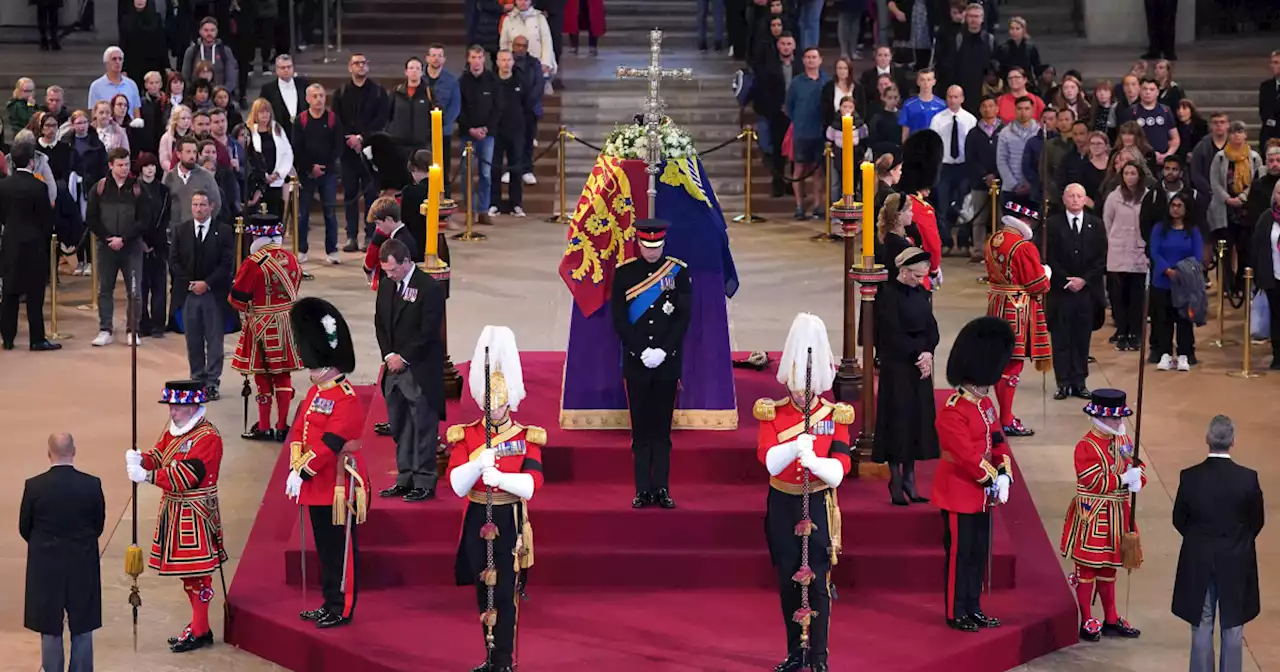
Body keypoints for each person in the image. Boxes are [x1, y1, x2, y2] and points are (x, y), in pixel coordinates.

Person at [754, 312, 852, 672]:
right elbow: (768, 460)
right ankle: (795, 651)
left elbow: (840, 470)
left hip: (820, 503)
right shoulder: (772, 414)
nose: (801, 391)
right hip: (783, 503)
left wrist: (817, 462)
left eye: (806, 384)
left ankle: (819, 656)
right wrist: (796, 448)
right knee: (787, 581)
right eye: (795, 384)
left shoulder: (834, 414)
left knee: (820, 584)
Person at [445, 325, 544, 672]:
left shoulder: (526, 436)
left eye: (500, 404)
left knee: (504, 594)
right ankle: (489, 657)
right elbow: (457, 484)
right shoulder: (468, 434)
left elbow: (532, 484)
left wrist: (502, 478)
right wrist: (476, 464)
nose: (494, 410)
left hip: (507, 517)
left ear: (509, 401)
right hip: (476, 515)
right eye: (490, 403)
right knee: (481, 590)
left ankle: (503, 660)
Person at [284, 297, 371, 629]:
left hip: (336, 484)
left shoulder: (345, 398)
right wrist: (295, 468)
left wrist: (302, 470)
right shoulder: (317, 393)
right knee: (324, 550)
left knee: (340, 552)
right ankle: (328, 602)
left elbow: (330, 444)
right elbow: (300, 430)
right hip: (314, 483)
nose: (310, 369)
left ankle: (342, 606)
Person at [124, 380, 227, 652]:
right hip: (175, 510)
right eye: (171, 406)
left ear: (194, 406)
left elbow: (186, 476)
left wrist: (147, 476)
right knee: (188, 576)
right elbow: (161, 454)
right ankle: (198, 625)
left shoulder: (208, 438)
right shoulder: (176, 431)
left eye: (178, 407)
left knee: (200, 575)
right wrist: (142, 459)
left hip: (195, 512)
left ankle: (201, 629)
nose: (173, 412)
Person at [933, 316, 1015, 633]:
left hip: (982, 494)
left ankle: (973, 606)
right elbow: (967, 457)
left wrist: (1005, 472)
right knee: (959, 555)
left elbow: (996, 441)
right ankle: (956, 611)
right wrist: (994, 478)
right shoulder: (954, 409)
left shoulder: (984, 403)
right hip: (959, 492)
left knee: (978, 553)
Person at [1172, 415, 1264, 672]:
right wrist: (1237, 543)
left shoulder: (1190, 477)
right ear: (1233, 441)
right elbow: (1256, 521)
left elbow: (1179, 519)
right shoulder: (1248, 479)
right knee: (1233, 625)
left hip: (1199, 558)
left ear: (1207, 440)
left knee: (1202, 624)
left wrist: (1199, 541)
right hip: (1236, 560)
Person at [610, 219, 691, 509]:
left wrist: (663, 350)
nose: (652, 251)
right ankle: (642, 489)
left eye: (657, 246)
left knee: (662, 431)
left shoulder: (677, 271)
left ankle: (663, 489)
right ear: (639, 243)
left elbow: (683, 317)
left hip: (666, 362)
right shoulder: (625, 273)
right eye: (647, 245)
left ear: (664, 243)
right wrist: (641, 349)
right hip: (637, 361)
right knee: (641, 430)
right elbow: (619, 318)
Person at [1060, 388, 1144, 642]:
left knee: (1109, 568)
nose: (1120, 423)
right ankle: (1086, 618)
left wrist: (1138, 478)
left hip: (1117, 513)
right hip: (1093, 514)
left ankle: (1111, 617)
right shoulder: (1086, 445)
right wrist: (1123, 479)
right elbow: (1092, 480)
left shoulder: (1123, 441)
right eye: (1115, 419)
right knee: (1087, 569)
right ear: (1102, 418)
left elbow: (1136, 466)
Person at [21, 433, 104, 672]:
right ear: (74, 451)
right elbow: (97, 524)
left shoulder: (34, 486)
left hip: (46, 566)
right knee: (83, 624)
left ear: (49, 453)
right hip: (82, 562)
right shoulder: (91, 484)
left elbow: (25, 527)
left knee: (50, 626)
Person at [375, 238, 446, 502]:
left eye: (393, 270)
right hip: (393, 370)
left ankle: (424, 481)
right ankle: (404, 478)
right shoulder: (385, 286)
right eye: (386, 271)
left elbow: (429, 331)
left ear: (406, 262)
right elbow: (380, 324)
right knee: (400, 425)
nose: (390, 275)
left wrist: (404, 357)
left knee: (423, 427)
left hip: (420, 369)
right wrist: (389, 355)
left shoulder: (429, 288)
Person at [874, 248, 939, 505]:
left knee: (916, 421)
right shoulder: (887, 295)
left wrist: (928, 353)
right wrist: (917, 354)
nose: (921, 280)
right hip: (898, 367)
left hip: (919, 367)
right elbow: (891, 333)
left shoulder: (922, 293)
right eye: (917, 275)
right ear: (903, 271)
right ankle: (896, 479)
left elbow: (931, 328)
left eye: (924, 275)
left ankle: (911, 478)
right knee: (897, 421)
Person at [228, 214, 303, 440]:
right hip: (288, 321)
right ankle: (282, 426)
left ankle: (264, 426)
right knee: (283, 375)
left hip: (262, 323)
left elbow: (236, 299)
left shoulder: (253, 262)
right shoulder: (291, 258)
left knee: (262, 377)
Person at [985, 201, 1051, 437]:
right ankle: (1006, 418)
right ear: (1025, 220)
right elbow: (1037, 285)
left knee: (1000, 361)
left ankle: (1005, 415)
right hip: (1017, 308)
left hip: (997, 304)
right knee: (1012, 364)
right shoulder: (1023, 246)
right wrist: (1046, 273)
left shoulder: (994, 239)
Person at [170, 190, 234, 399]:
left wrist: (206, 283)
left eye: (203, 205)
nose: (199, 209)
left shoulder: (223, 231)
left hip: (213, 294)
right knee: (193, 340)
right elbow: (174, 262)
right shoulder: (181, 231)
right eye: (195, 205)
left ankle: (212, 381)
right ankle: (197, 379)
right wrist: (191, 284)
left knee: (214, 341)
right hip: (189, 294)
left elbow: (227, 264)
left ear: (211, 207)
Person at [1046, 184, 1106, 399]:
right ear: (1063, 198)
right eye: (1070, 195)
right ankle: (1062, 382)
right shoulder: (1052, 225)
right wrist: (1065, 280)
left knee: (1082, 339)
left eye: (1079, 196)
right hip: (1061, 291)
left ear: (1085, 199)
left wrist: (1084, 280)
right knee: (1061, 338)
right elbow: (1049, 257)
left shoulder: (1096, 225)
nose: (1074, 199)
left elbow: (1101, 258)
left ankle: (1079, 382)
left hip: (1086, 292)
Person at [86, 147, 150, 348]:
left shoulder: (138, 188)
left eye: (127, 164)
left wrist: (123, 238)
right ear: (110, 165)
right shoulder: (99, 188)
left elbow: (144, 220)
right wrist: (108, 238)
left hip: (131, 248)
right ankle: (105, 329)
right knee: (105, 288)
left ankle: (133, 330)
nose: (124, 168)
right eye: (120, 165)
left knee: (134, 291)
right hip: (106, 248)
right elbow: (91, 218)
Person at [0, 141, 60, 352]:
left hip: (10, 242)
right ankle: (36, 339)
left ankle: (7, 338)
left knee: (9, 293)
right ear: (32, 162)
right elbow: (46, 219)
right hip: (34, 244)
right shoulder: (38, 186)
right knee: (35, 295)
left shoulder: (3, 186)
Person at [333, 52, 390, 252]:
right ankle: (351, 236)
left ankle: (370, 235)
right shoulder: (341, 93)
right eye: (356, 63)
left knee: (371, 195)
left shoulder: (378, 91)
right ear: (350, 67)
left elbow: (382, 119)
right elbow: (337, 120)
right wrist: (350, 138)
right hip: (348, 152)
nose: (360, 66)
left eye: (363, 63)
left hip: (371, 150)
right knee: (350, 195)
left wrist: (362, 138)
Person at [293, 84, 345, 263]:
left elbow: (338, 146)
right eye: (314, 96)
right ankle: (301, 249)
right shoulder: (301, 120)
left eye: (321, 96)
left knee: (330, 213)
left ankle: (332, 250)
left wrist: (324, 166)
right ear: (307, 99)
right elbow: (297, 147)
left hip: (328, 173)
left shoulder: (332, 119)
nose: (319, 99)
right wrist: (310, 167)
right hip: (307, 173)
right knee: (303, 214)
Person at [1103, 160, 1150, 352]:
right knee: (1118, 296)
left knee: (1136, 296)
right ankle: (1121, 331)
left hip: (1138, 251)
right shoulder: (1113, 197)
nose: (1130, 177)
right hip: (1117, 251)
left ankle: (1135, 334)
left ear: (1140, 175)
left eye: (1133, 173)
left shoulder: (1147, 196)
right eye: (1127, 173)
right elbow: (1107, 222)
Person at [930, 86, 977, 254]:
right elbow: (933, 145)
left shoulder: (970, 119)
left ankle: (964, 242)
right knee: (942, 204)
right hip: (944, 166)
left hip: (963, 166)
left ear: (962, 98)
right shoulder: (937, 119)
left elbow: (972, 146)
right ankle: (945, 242)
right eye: (950, 97)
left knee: (964, 205)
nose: (953, 100)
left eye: (956, 97)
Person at [785, 47, 830, 220]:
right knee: (799, 169)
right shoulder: (797, 82)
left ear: (820, 60)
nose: (811, 60)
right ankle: (799, 206)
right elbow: (789, 106)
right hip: (801, 132)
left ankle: (818, 205)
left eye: (814, 57)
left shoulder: (826, 81)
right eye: (808, 57)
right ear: (803, 61)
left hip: (819, 133)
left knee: (818, 172)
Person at [459, 45, 501, 226]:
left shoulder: (492, 81)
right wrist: (470, 128)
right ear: (468, 59)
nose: (476, 61)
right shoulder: (462, 81)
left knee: (485, 173)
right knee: (466, 173)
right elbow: (458, 108)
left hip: (487, 135)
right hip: (467, 135)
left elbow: (498, 107)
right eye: (473, 57)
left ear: (484, 59)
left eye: (479, 57)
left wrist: (486, 128)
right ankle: (469, 210)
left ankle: (483, 210)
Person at [491, 49, 529, 217]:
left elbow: (527, 105)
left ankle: (516, 204)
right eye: (502, 60)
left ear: (513, 62)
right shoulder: (491, 81)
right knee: (495, 168)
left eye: (508, 60)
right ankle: (494, 204)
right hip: (496, 131)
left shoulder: (520, 80)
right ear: (497, 62)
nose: (506, 63)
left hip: (516, 131)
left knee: (516, 168)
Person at [964, 96, 1002, 261]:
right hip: (979, 183)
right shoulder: (973, 133)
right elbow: (970, 158)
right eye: (984, 106)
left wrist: (997, 174)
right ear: (980, 110)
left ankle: (1001, 251)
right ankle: (979, 251)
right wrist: (984, 175)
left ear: (997, 108)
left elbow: (1007, 155)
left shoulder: (1005, 131)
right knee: (979, 219)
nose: (988, 109)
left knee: (1001, 218)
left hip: (1001, 182)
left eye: (991, 106)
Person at [1249, 179, 1280, 370]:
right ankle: (1278, 356)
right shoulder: (1266, 218)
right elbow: (1257, 247)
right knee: (1276, 318)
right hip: (1273, 276)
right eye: (1279, 193)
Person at [997, 97, 1041, 210]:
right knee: (1011, 226)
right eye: (1019, 109)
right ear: (1015, 110)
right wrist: (1014, 185)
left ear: (1032, 110)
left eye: (1027, 108)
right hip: (1010, 190)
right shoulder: (1005, 133)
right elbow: (1001, 161)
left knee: (1033, 225)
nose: (1023, 112)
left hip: (1035, 190)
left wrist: (1033, 184)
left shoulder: (1040, 132)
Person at [182, 17, 239, 99]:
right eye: (206, 30)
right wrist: (195, 93)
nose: (209, 33)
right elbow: (185, 77)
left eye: (212, 30)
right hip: (196, 97)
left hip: (220, 97)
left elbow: (231, 79)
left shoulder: (225, 51)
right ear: (200, 31)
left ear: (216, 32)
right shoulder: (191, 51)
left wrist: (221, 94)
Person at [258, 54, 308, 139]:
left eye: (289, 67)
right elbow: (261, 109)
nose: (286, 70)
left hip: (303, 134)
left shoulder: (303, 84)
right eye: (283, 67)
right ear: (276, 70)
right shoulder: (268, 89)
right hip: (278, 135)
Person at [87, 46, 141, 116]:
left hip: (129, 126)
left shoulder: (131, 84)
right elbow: (94, 115)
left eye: (120, 59)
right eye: (114, 59)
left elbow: (136, 112)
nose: (117, 62)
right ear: (106, 63)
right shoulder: (96, 86)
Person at [1260, 51, 1280, 149]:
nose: (1272, 66)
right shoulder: (1265, 86)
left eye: (1276, 63)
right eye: (1272, 62)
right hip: (1270, 135)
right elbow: (1264, 112)